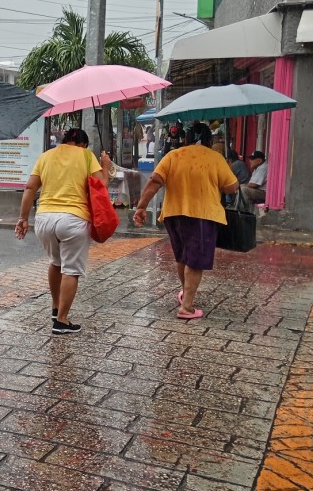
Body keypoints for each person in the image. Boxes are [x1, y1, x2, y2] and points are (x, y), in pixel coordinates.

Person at [132, 122, 239, 320]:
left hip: (174, 214)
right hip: (203, 215)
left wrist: (141, 206)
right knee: (195, 261)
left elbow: (154, 181)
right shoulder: (216, 158)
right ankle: (187, 307)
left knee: (183, 257)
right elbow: (232, 188)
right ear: (209, 140)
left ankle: (185, 293)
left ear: (186, 139)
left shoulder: (173, 156)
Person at [14, 128, 111, 335]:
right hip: (73, 219)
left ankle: (55, 307)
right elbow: (101, 185)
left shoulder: (46, 155)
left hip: (44, 218)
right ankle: (62, 321)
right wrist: (105, 166)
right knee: (70, 270)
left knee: (56, 263)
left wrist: (23, 218)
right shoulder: (86, 155)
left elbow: (30, 187)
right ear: (83, 144)